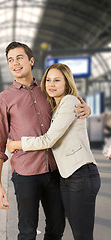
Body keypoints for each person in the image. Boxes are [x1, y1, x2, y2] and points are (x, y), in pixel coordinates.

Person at [0, 42, 91, 240]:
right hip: (26, 174)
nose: (15, 63)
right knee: (27, 232)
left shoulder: (49, 89)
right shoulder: (3, 99)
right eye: (10, 60)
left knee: (57, 227)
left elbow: (73, 104)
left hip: (55, 172)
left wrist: (87, 110)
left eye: (20, 57)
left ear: (31, 60)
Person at [6, 63, 100, 240]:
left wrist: (16, 144)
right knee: (77, 231)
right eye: (48, 80)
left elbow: (48, 139)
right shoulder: (59, 104)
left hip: (81, 174)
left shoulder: (70, 101)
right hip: (68, 175)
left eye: (57, 80)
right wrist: (89, 110)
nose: (51, 84)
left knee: (82, 235)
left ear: (67, 83)